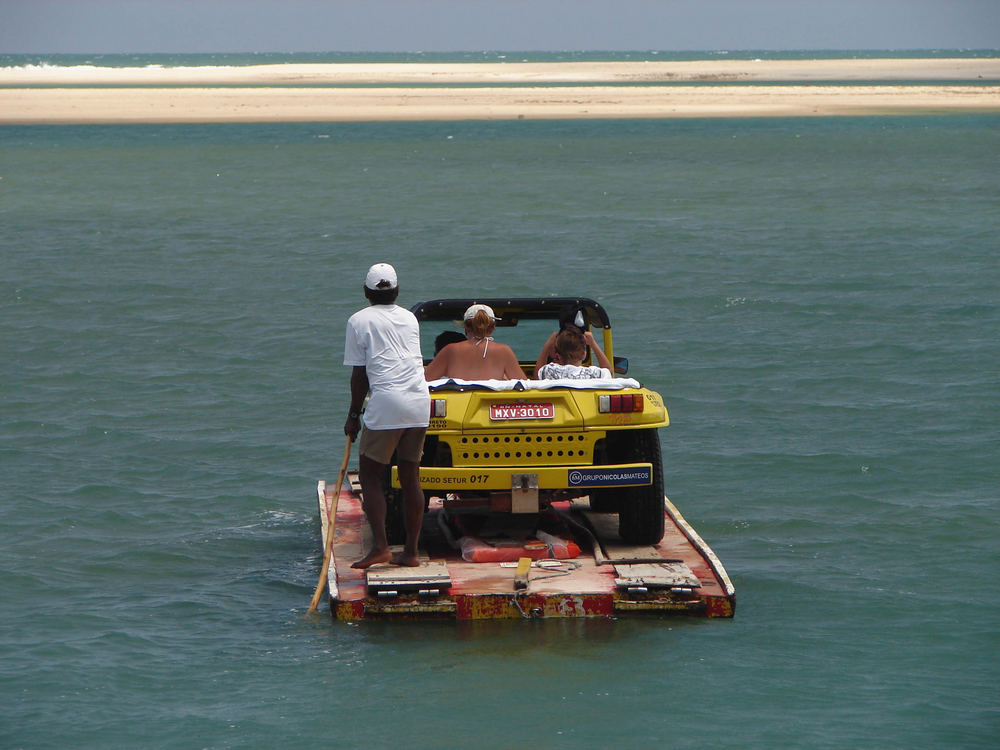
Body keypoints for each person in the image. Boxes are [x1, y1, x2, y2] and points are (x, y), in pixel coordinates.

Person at [343, 263, 430, 569]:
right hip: (420, 402)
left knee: (369, 474)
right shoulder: (409, 318)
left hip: (387, 403)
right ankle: (411, 552)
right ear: (396, 291)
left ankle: (381, 547)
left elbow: (360, 375)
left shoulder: (358, 320)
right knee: (410, 477)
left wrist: (354, 415)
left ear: (366, 291)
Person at [424, 304, 527, 381]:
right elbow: (523, 385)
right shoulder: (504, 351)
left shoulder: (451, 350)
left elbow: (424, 381)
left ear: (466, 327)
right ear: (492, 328)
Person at [534, 325, 614, 380]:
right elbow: (608, 371)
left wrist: (548, 344)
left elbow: (538, 373)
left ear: (558, 356)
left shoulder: (550, 371)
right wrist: (593, 343)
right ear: (584, 355)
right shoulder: (593, 374)